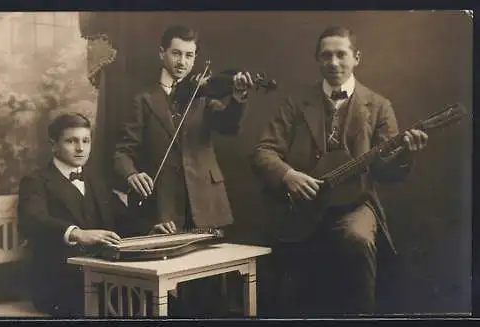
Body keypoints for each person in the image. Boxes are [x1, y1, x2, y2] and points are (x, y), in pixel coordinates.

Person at [250, 26, 429, 316]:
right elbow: (263, 152)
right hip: (302, 207)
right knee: (286, 281)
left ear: (356, 57)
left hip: (355, 204)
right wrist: (287, 175)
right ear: (318, 60)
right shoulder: (295, 103)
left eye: (341, 55)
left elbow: (386, 172)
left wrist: (406, 152)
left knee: (356, 239)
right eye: (326, 56)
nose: (333, 63)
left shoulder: (379, 107)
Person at [113, 25, 254, 316]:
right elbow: (123, 151)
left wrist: (238, 98)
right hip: (166, 204)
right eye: (176, 53)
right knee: (173, 290)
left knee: (212, 287)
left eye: (189, 55)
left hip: (206, 201)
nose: (182, 62)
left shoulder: (202, 95)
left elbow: (228, 126)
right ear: (161, 53)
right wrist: (131, 174)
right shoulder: (143, 99)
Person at [17, 112, 122, 317]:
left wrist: (152, 227)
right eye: (71, 141)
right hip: (57, 283)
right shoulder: (35, 181)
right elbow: (33, 221)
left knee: (161, 302)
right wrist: (76, 233)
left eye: (86, 141)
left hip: (102, 275)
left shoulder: (96, 179)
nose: (81, 148)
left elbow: (122, 216)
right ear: (54, 145)